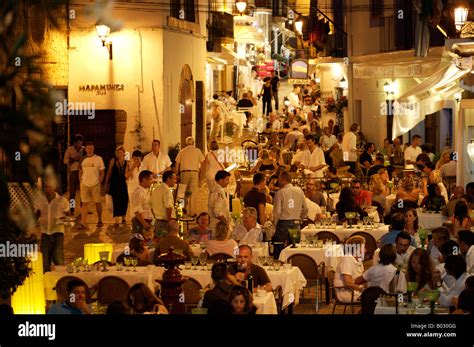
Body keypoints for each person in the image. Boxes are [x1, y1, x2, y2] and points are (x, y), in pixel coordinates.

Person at [34, 179, 70, 272]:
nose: (47, 189)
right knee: (45, 261)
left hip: (57, 232)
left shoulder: (62, 201)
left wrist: (63, 220)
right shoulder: (40, 200)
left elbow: (68, 215)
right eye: (45, 187)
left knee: (58, 260)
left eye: (49, 187)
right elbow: (37, 212)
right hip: (45, 233)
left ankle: (60, 281)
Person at [273, 170, 308, 257]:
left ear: (283, 179)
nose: (278, 180)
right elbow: (306, 208)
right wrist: (300, 219)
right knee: (295, 251)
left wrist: (275, 224)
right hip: (296, 223)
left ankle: (281, 267)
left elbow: (277, 212)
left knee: (281, 250)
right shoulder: (299, 191)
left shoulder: (280, 193)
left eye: (279, 178)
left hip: (283, 224)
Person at [77, 142, 105, 229]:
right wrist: (81, 180)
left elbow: (102, 172)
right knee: (84, 203)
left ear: (93, 149)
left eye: (91, 148)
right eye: (88, 148)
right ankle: (83, 222)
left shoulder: (98, 159)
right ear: (85, 149)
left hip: (95, 184)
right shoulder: (82, 159)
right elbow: (80, 171)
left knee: (97, 202)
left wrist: (99, 181)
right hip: (84, 184)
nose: (89, 150)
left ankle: (100, 220)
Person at [175, 136, 205, 217]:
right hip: (194, 173)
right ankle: (192, 212)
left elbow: (177, 163)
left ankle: (181, 210)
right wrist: (201, 173)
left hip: (184, 173)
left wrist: (177, 174)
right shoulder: (198, 151)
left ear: (186, 143)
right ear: (193, 143)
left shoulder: (182, 151)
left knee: (182, 192)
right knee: (193, 193)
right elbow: (203, 162)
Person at [333, 236, 366, 303]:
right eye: (363, 248)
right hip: (347, 293)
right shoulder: (347, 259)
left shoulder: (358, 260)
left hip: (355, 290)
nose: (366, 250)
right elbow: (348, 283)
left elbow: (362, 278)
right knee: (373, 297)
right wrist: (362, 290)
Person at [105, 146, 129, 227]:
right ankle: (116, 221)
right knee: (115, 201)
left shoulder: (127, 162)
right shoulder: (113, 160)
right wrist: (106, 183)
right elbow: (109, 172)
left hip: (123, 184)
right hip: (114, 183)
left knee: (124, 200)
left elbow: (127, 174)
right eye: (118, 153)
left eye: (121, 152)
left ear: (123, 153)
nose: (120, 154)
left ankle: (123, 218)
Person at [151, 170, 177, 238]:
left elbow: (150, 205)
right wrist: (169, 221)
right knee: (167, 246)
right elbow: (168, 207)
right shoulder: (167, 190)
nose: (175, 181)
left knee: (160, 245)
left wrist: (156, 216)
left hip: (158, 221)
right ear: (168, 179)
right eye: (174, 179)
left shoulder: (156, 189)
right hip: (165, 222)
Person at [63, 134, 84, 215]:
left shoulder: (84, 149)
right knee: (72, 192)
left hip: (82, 172)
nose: (80, 145)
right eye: (78, 143)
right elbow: (65, 161)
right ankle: (72, 209)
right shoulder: (69, 150)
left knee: (83, 191)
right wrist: (74, 159)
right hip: (73, 172)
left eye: (81, 143)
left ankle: (83, 209)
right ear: (75, 143)